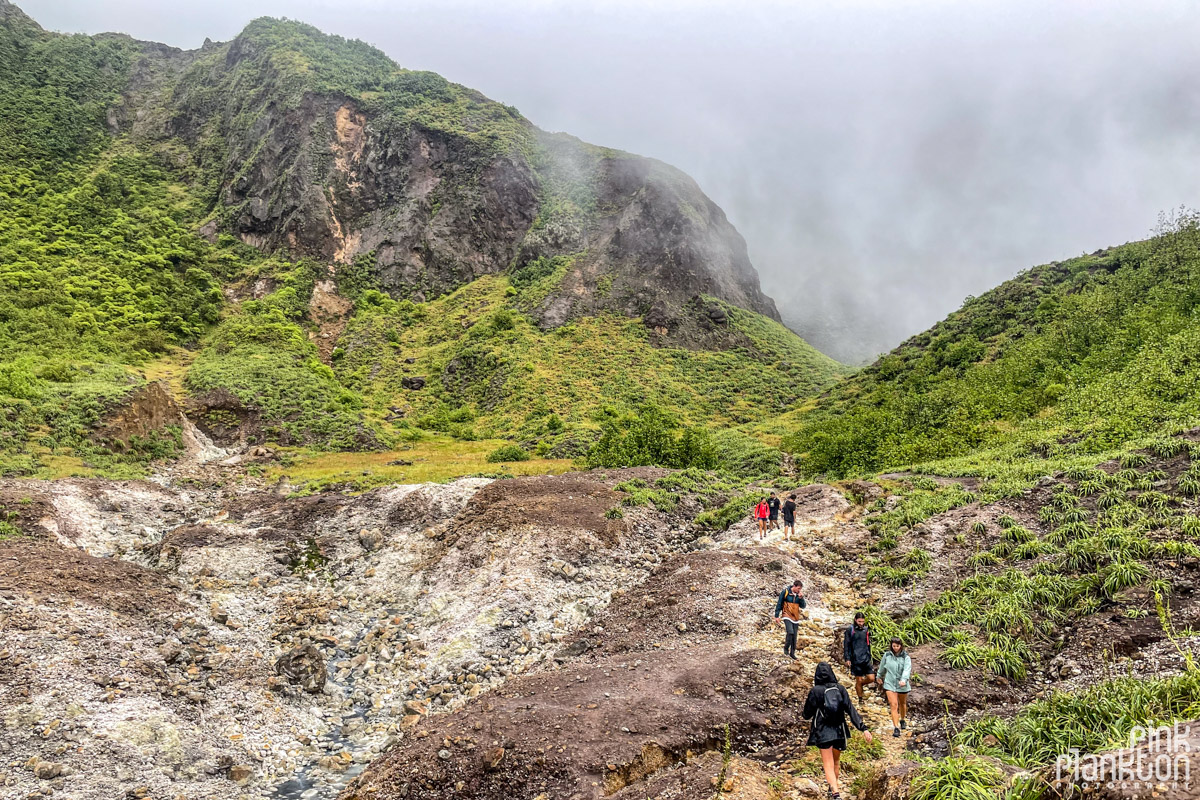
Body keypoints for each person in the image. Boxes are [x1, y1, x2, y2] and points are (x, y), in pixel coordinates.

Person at [802, 662, 873, 800]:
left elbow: (806, 714)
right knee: (835, 761)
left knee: (827, 763)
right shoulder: (840, 689)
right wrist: (863, 728)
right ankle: (833, 788)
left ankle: (835, 793)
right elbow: (851, 710)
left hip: (823, 731)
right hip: (839, 729)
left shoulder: (816, 691)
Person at [877, 637, 912, 737]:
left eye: (897, 646)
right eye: (894, 646)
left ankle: (902, 719)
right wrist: (879, 676)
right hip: (890, 683)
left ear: (901, 646)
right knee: (893, 704)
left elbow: (907, 669)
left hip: (902, 684)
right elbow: (882, 666)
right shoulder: (887, 655)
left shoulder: (906, 657)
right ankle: (896, 727)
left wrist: (904, 680)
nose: (895, 648)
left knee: (902, 703)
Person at [842, 612, 876, 704]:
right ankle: (860, 699)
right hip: (855, 659)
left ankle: (860, 685)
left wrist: (869, 655)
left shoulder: (866, 630)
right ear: (855, 620)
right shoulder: (850, 630)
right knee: (859, 679)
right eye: (859, 621)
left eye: (862, 621)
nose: (861, 623)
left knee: (871, 678)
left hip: (866, 658)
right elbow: (846, 645)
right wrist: (847, 658)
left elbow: (868, 644)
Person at [773, 579, 807, 659]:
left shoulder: (799, 595)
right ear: (794, 586)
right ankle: (786, 648)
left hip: (795, 617)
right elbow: (779, 603)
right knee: (790, 632)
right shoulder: (785, 592)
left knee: (794, 637)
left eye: (800, 589)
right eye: (798, 588)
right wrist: (777, 616)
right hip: (786, 614)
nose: (799, 590)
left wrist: (801, 598)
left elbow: (803, 606)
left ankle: (792, 653)